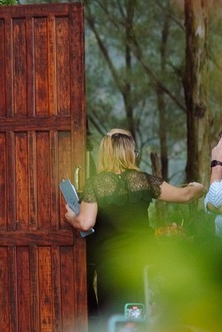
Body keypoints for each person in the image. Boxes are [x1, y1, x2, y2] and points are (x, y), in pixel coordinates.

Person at [63, 129, 206, 320]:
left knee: (113, 319)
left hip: (112, 265)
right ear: (129, 152)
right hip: (142, 260)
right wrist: (199, 188)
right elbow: (185, 195)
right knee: (141, 315)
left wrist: (71, 217)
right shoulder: (144, 180)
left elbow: (86, 222)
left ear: (105, 153)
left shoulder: (96, 184)